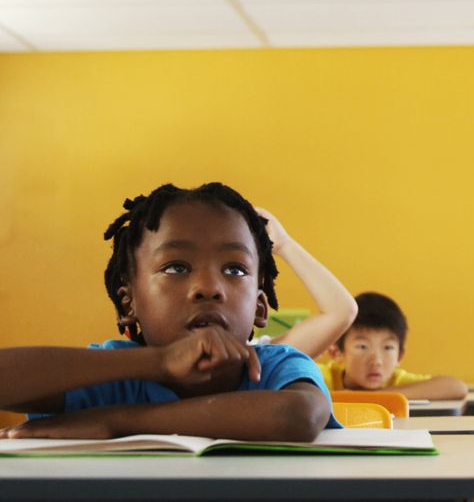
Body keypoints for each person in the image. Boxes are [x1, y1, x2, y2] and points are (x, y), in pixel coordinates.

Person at [0, 183, 339, 440]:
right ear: (128, 303)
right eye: (176, 267)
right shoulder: (115, 376)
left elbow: (297, 416)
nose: (209, 287)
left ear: (260, 308)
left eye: (234, 270)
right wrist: (160, 363)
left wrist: (115, 422)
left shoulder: (274, 367)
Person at [253, 208, 358, 359]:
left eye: (234, 271)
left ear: (259, 306)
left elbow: (341, 311)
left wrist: (284, 245)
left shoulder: (262, 359)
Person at [322, 292, 467, 400]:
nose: (376, 361)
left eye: (388, 348)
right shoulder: (322, 377)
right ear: (337, 353)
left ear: (400, 356)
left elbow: (457, 387)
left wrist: (375, 397)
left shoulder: (396, 382)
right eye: (362, 347)